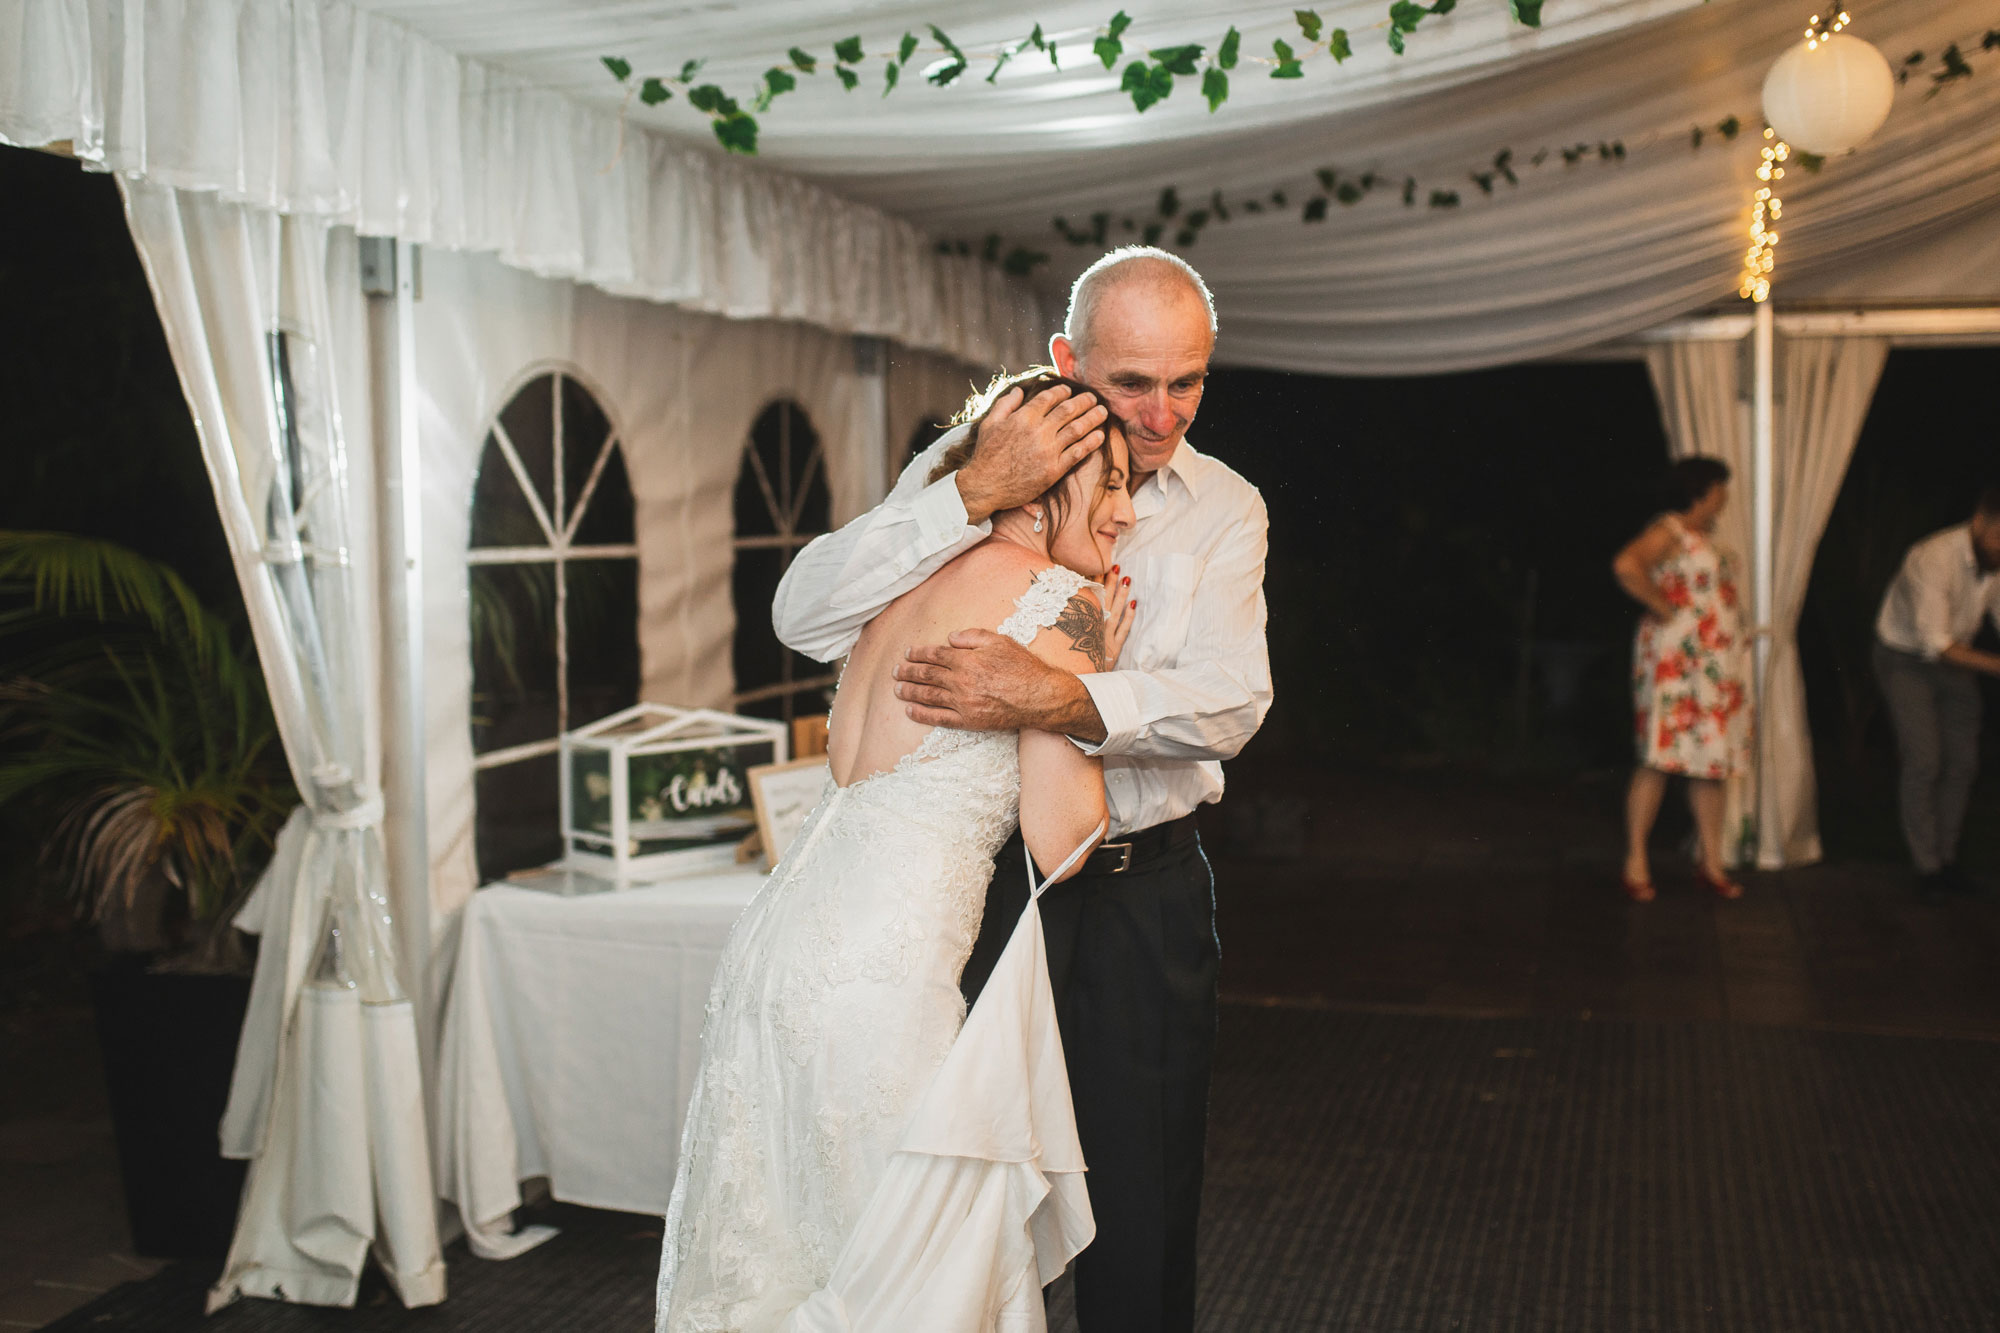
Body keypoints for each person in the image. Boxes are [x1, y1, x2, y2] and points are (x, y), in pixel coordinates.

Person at [771, 247, 1271, 1333]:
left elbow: (1232, 700)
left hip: (1146, 895)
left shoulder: (1227, 506)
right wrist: (966, 495)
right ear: (1064, 360)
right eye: (1130, 380)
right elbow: (803, 614)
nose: (1159, 411)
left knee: (1140, 1193)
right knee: (973, 1187)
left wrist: (1054, 697)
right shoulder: (968, 467)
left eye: (1185, 380)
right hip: (995, 889)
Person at [656, 371, 1138, 1331]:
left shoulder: (902, 581)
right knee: (904, 1274)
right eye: (1111, 483)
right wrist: (1095, 681)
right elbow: (1064, 834)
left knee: (775, 1247)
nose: (1126, 513)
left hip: (773, 957)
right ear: (1044, 489)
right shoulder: (1067, 605)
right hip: (878, 990)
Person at [1613, 457, 1753, 902]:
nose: (1724, 497)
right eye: (1720, 488)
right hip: (1676, 661)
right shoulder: (1669, 530)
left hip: (1712, 664)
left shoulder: (1704, 537)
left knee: (1711, 761)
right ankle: (1635, 858)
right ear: (1703, 490)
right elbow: (1626, 565)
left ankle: (1711, 862)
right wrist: (1665, 607)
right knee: (1659, 755)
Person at [1872, 483, 2000, 896]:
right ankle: (1927, 868)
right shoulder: (1933, 557)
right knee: (1925, 760)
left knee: (1962, 763)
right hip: (1906, 658)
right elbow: (1935, 644)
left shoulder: (1995, 558)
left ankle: (1946, 861)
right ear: (1981, 519)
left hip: (1957, 662)